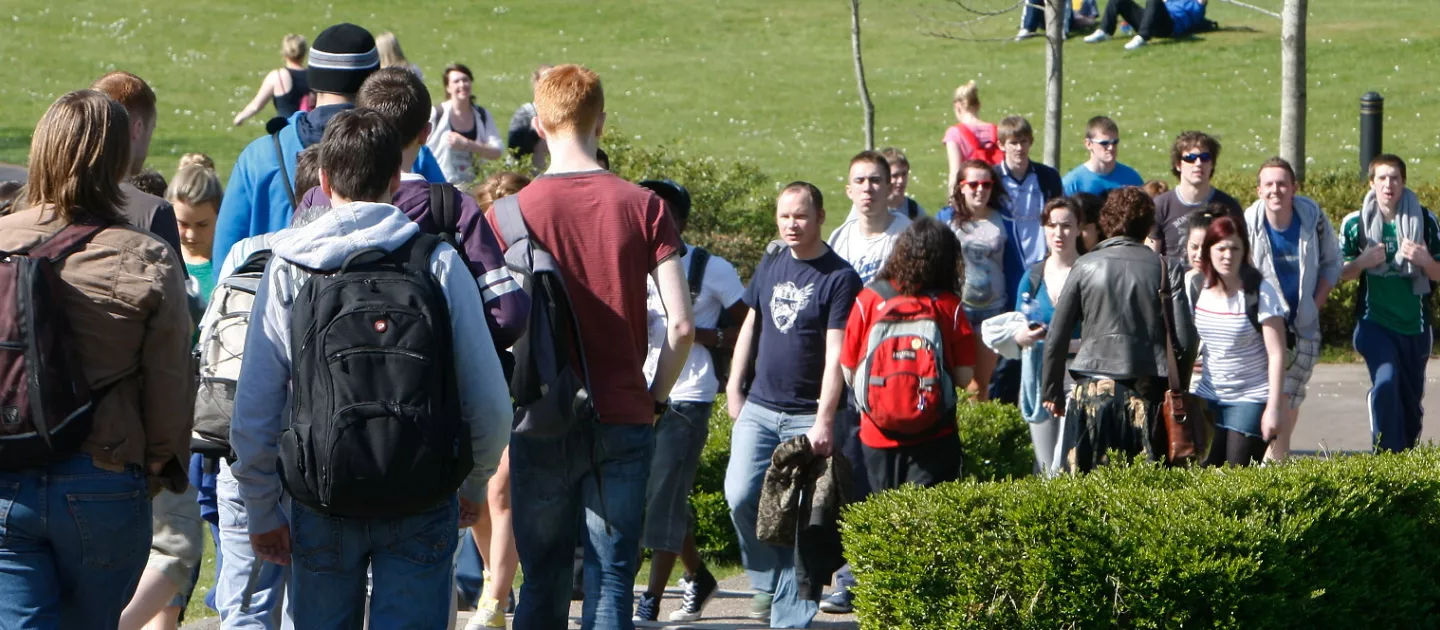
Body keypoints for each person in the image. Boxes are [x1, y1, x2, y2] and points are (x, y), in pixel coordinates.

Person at [229, 108, 512, 628]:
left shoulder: (290, 265)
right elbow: (489, 401)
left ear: (323, 179)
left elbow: (256, 403)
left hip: (322, 495)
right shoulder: (436, 262)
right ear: (393, 181)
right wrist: (473, 485)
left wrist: (261, 506)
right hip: (421, 491)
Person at [485, 64, 694, 630]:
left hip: (539, 417)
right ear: (600, 121)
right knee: (612, 578)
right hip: (622, 411)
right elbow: (680, 328)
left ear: (539, 125)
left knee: (544, 576)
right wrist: (654, 397)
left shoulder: (505, 217)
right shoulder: (644, 206)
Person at [0, 88, 192, 629]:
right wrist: (161, 465)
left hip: (7, 472)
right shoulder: (146, 256)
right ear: (118, 160)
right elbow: (171, 379)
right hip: (104, 473)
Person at [294, 67, 529, 351]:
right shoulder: (452, 207)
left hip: (328, 381)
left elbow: (285, 299)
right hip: (424, 384)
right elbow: (507, 315)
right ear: (426, 133)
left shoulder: (318, 200)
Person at [725, 182, 860, 628]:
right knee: (740, 494)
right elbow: (751, 324)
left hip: (806, 415)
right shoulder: (772, 260)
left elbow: (835, 354)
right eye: (784, 216)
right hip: (760, 408)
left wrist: (824, 419)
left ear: (820, 216)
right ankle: (767, 581)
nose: (791, 224)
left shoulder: (840, 277)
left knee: (802, 520)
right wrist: (733, 387)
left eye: (800, 216)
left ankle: (789, 615)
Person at [632, 179, 748, 624]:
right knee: (656, 492)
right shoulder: (631, 263)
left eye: (656, 212)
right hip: (638, 391)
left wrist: (703, 336)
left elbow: (749, 326)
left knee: (663, 495)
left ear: (678, 220)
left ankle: (652, 599)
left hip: (687, 396)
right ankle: (698, 574)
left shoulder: (710, 269)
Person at [1041, 187, 1196, 472]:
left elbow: (1057, 336)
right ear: (1148, 225)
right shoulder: (1166, 267)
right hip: (1148, 394)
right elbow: (1186, 341)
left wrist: (1051, 391)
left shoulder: (1084, 265)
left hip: (1091, 393)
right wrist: (1178, 389)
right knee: (1145, 498)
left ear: (1106, 223)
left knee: (1085, 496)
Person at [213, 23, 380, 271]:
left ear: (312, 80)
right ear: (373, 79)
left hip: (274, 301)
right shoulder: (400, 149)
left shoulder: (258, 156)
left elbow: (225, 260)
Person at [841, 217, 976, 491]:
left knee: (879, 521)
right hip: (935, 436)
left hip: (875, 435)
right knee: (931, 525)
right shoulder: (950, 307)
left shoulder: (869, 299)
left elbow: (848, 371)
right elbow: (964, 377)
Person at [1339, 154, 1440, 453]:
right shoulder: (1355, 223)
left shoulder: (1425, 219)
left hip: (1415, 326)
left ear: (1403, 182)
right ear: (1371, 183)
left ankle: (1405, 459)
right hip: (1375, 323)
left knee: (1410, 403)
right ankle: (1384, 456)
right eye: (1382, 178)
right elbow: (1340, 274)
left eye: (1395, 178)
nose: (1388, 184)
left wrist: (1424, 261)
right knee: (1386, 383)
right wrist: (1361, 262)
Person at [1243, 157, 1340, 460]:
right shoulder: (1248, 224)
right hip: (1267, 328)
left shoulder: (1313, 219)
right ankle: (1274, 468)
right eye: (1269, 184)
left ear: (1294, 187)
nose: (1276, 190)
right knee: (1279, 396)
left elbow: (1332, 262)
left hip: (1305, 326)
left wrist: (1316, 302)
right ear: (1259, 190)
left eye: (1282, 183)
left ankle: (1276, 459)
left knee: (1290, 400)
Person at [1186, 216, 1289, 466]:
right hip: (1209, 396)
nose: (1228, 255)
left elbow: (1277, 354)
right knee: (1206, 473)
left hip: (1250, 399)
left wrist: (1273, 409)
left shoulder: (1260, 292)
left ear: (1244, 251)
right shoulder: (1199, 287)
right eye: (1221, 248)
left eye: (1235, 248)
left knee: (1236, 474)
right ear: (1209, 250)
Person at [1008, 197, 1085, 475]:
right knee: (1044, 465)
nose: (1059, 232)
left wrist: (1063, 345)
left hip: (1077, 376)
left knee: (1071, 465)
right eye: (1051, 225)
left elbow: (1102, 334)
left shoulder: (1090, 272)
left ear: (1079, 229)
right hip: (1039, 374)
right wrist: (1023, 337)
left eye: (1066, 225)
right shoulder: (1032, 277)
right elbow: (1017, 328)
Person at [944, 159, 1016, 401]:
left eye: (986, 184)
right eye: (973, 184)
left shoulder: (1004, 220)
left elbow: (1014, 264)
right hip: (958, 311)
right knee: (960, 381)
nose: (980, 190)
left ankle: (977, 433)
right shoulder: (947, 219)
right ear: (961, 187)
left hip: (993, 311)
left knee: (981, 384)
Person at [90, 71, 184, 257]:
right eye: (152, 128)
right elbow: (174, 285)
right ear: (138, 128)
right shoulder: (154, 212)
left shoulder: (49, 200)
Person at [1148, 131, 1245, 261]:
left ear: (1212, 164)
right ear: (1178, 165)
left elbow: (1242, 257)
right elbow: (1151, 258)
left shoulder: (1228, 206)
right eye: (1190, 158)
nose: (1198, 163)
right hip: (1173, 279)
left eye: (1205, 157)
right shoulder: (1160, 206)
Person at [996, 115, 1065, 271]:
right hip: (1006, 262)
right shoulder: (993, 179)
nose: (1019, 148)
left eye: (1023, 142)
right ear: (1001, 145)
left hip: (1044, 261)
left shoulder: (1048, 177)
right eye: (1013, 143)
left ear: (1031, 142)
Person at [829, 150, 910, 283]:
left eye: (875, 180)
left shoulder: (908, 235)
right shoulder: (839, 238)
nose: (867, 188)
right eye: (859, 181)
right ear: (849, 191)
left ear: (889, 189)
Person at [428, 63, 504, 186]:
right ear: (448, 87)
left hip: (474, 186)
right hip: (440, 186)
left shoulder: (482, 115)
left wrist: (467, 144)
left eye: (465, 80)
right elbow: (419, 147)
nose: (462, 85)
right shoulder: (437, 114)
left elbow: (497, 151)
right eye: (456, 81)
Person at [232, 34, 310, 126]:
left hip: (287, 131)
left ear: (283, 52)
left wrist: (240, 117)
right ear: (304, 52)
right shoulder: (314, 76)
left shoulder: (278, 76)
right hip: (310, 131)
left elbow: (256, 106)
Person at [1062, 116, 1144, 197]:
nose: (1111, 147)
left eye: (1115, 142)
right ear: (1088, 144)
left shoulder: (1132, 179)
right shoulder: (1072, 184)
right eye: (1104, 143)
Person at [1085, 0, 1214, 50]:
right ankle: (1105, 31)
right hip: (1151, 19)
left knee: (1154, 1)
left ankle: (1142, 38)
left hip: (1168, 27)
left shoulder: (1198, 7)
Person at [944, 81, 999, 193]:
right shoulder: (996, 130)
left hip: (971, 193)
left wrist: (952, 202)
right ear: (978, 105)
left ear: (957, 107)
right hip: (994, 191)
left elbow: (955, 172)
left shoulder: (954, 133)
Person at [508, 64, 554, 169]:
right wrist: (537, 133)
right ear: (536, 84)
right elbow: (515, 149)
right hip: (528, 173)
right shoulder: (524, 113)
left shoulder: (564, 114)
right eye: (545, 80)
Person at [881, 147, 925, 219]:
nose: (901, 180)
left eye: (904, 174)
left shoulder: (914, 210)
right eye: (895, 176)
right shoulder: (872, 208)